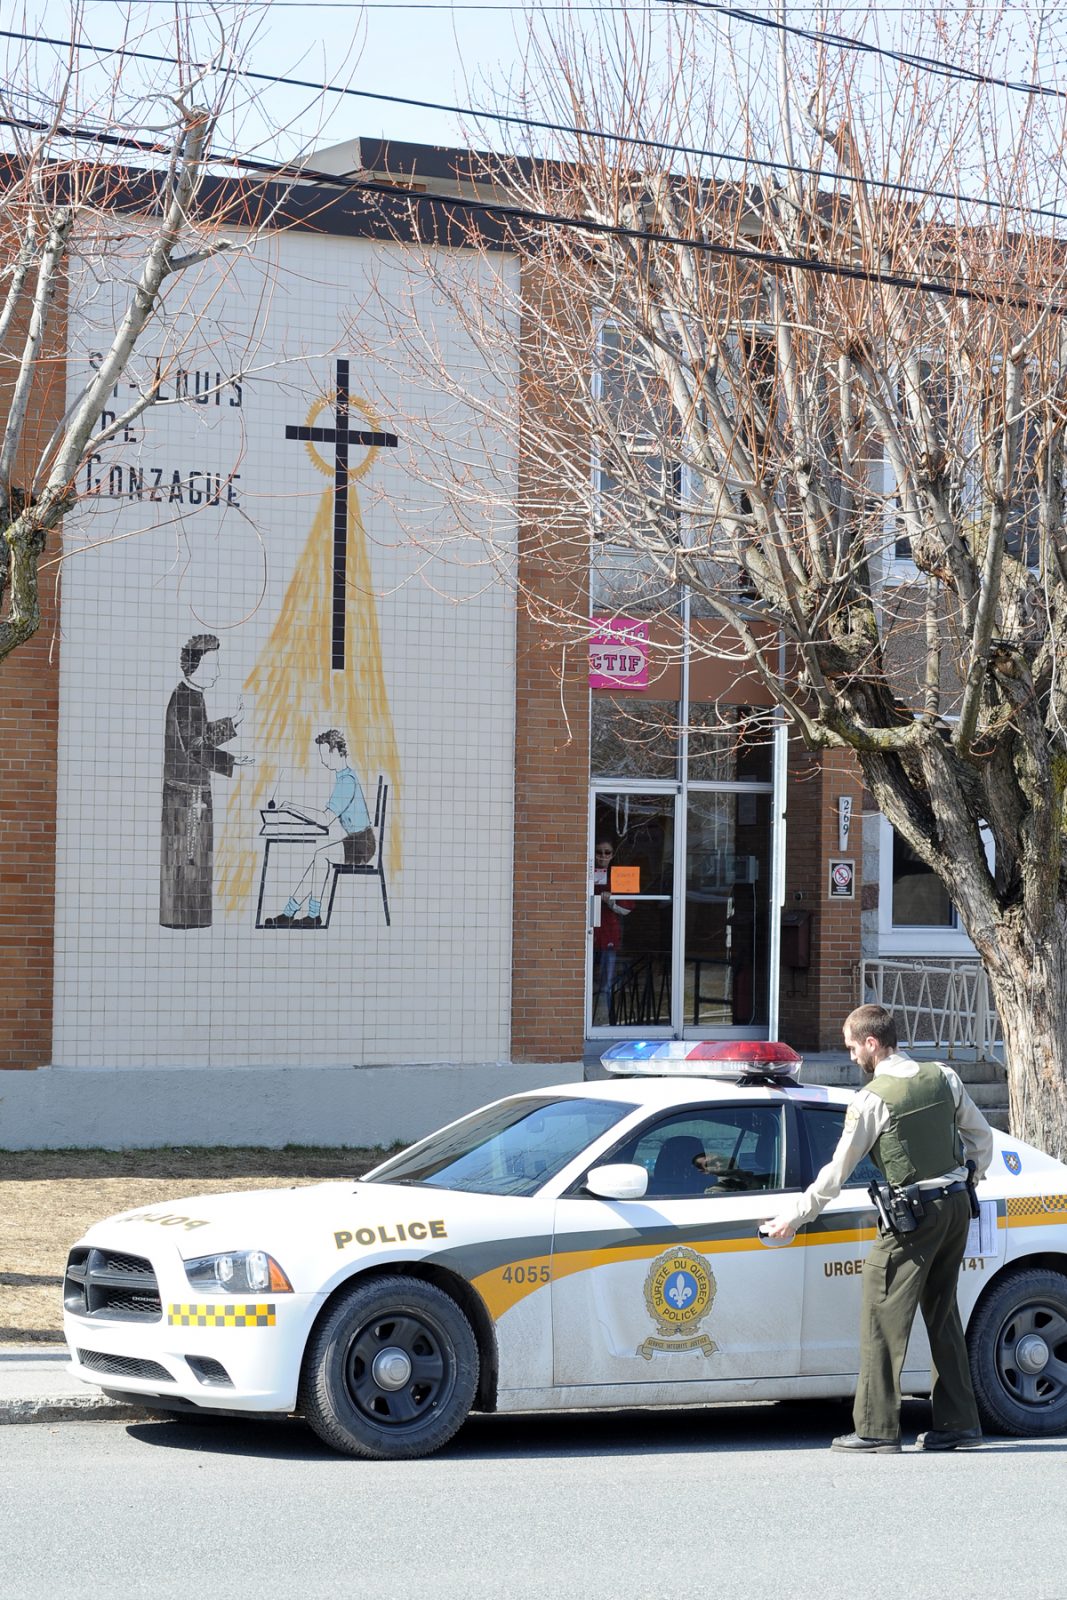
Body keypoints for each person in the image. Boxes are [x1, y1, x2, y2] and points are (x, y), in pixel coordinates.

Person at [762, 1002, 993, 1453]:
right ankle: (959, 1423)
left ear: (872, 1043)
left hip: (915, 1216)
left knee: (881, 1308)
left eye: (852, 1047)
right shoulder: (943, 1076)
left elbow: (837, 1169)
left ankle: (876, 1428)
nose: (850, 1056)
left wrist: (796, 1215)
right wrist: (968, 1178)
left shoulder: (872, 1099)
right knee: (943, 1312)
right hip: (956, 1207)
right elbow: (980, 1138)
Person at [160, 634, 252, 929]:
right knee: (186, 859)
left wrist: (232, 723)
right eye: (213, 665)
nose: (219, 672)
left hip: (194, 792)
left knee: (197, 860)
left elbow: (200, 735)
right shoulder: (185, 698)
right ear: (195, 666)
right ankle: (183, 921)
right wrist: (232, 761)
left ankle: (193, 919)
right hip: (185, 796)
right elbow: (196, 747)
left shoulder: (193, 695)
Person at [264, 729, 374, 929]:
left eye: (325, 756)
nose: (323, 762)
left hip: (362, 845)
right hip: (355, 841)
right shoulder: (344, 777)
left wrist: (292, 807)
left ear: (336, 752)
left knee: (321, 857)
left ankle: (312, 915)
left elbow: (325, 819)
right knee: (318, 860)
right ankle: (290, 913)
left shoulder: (347, 782)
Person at [592, 839, 631, 1023]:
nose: (603, 856)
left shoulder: (618, 876)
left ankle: (605, 1022)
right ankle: (586, 1021)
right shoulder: (587, 873)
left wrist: (611, 901)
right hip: (588, 936)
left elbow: (628, 908)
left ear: (613, 855)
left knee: (606, 985)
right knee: (586, 983)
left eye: (607, 852)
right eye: (599, 852)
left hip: (608, 938)